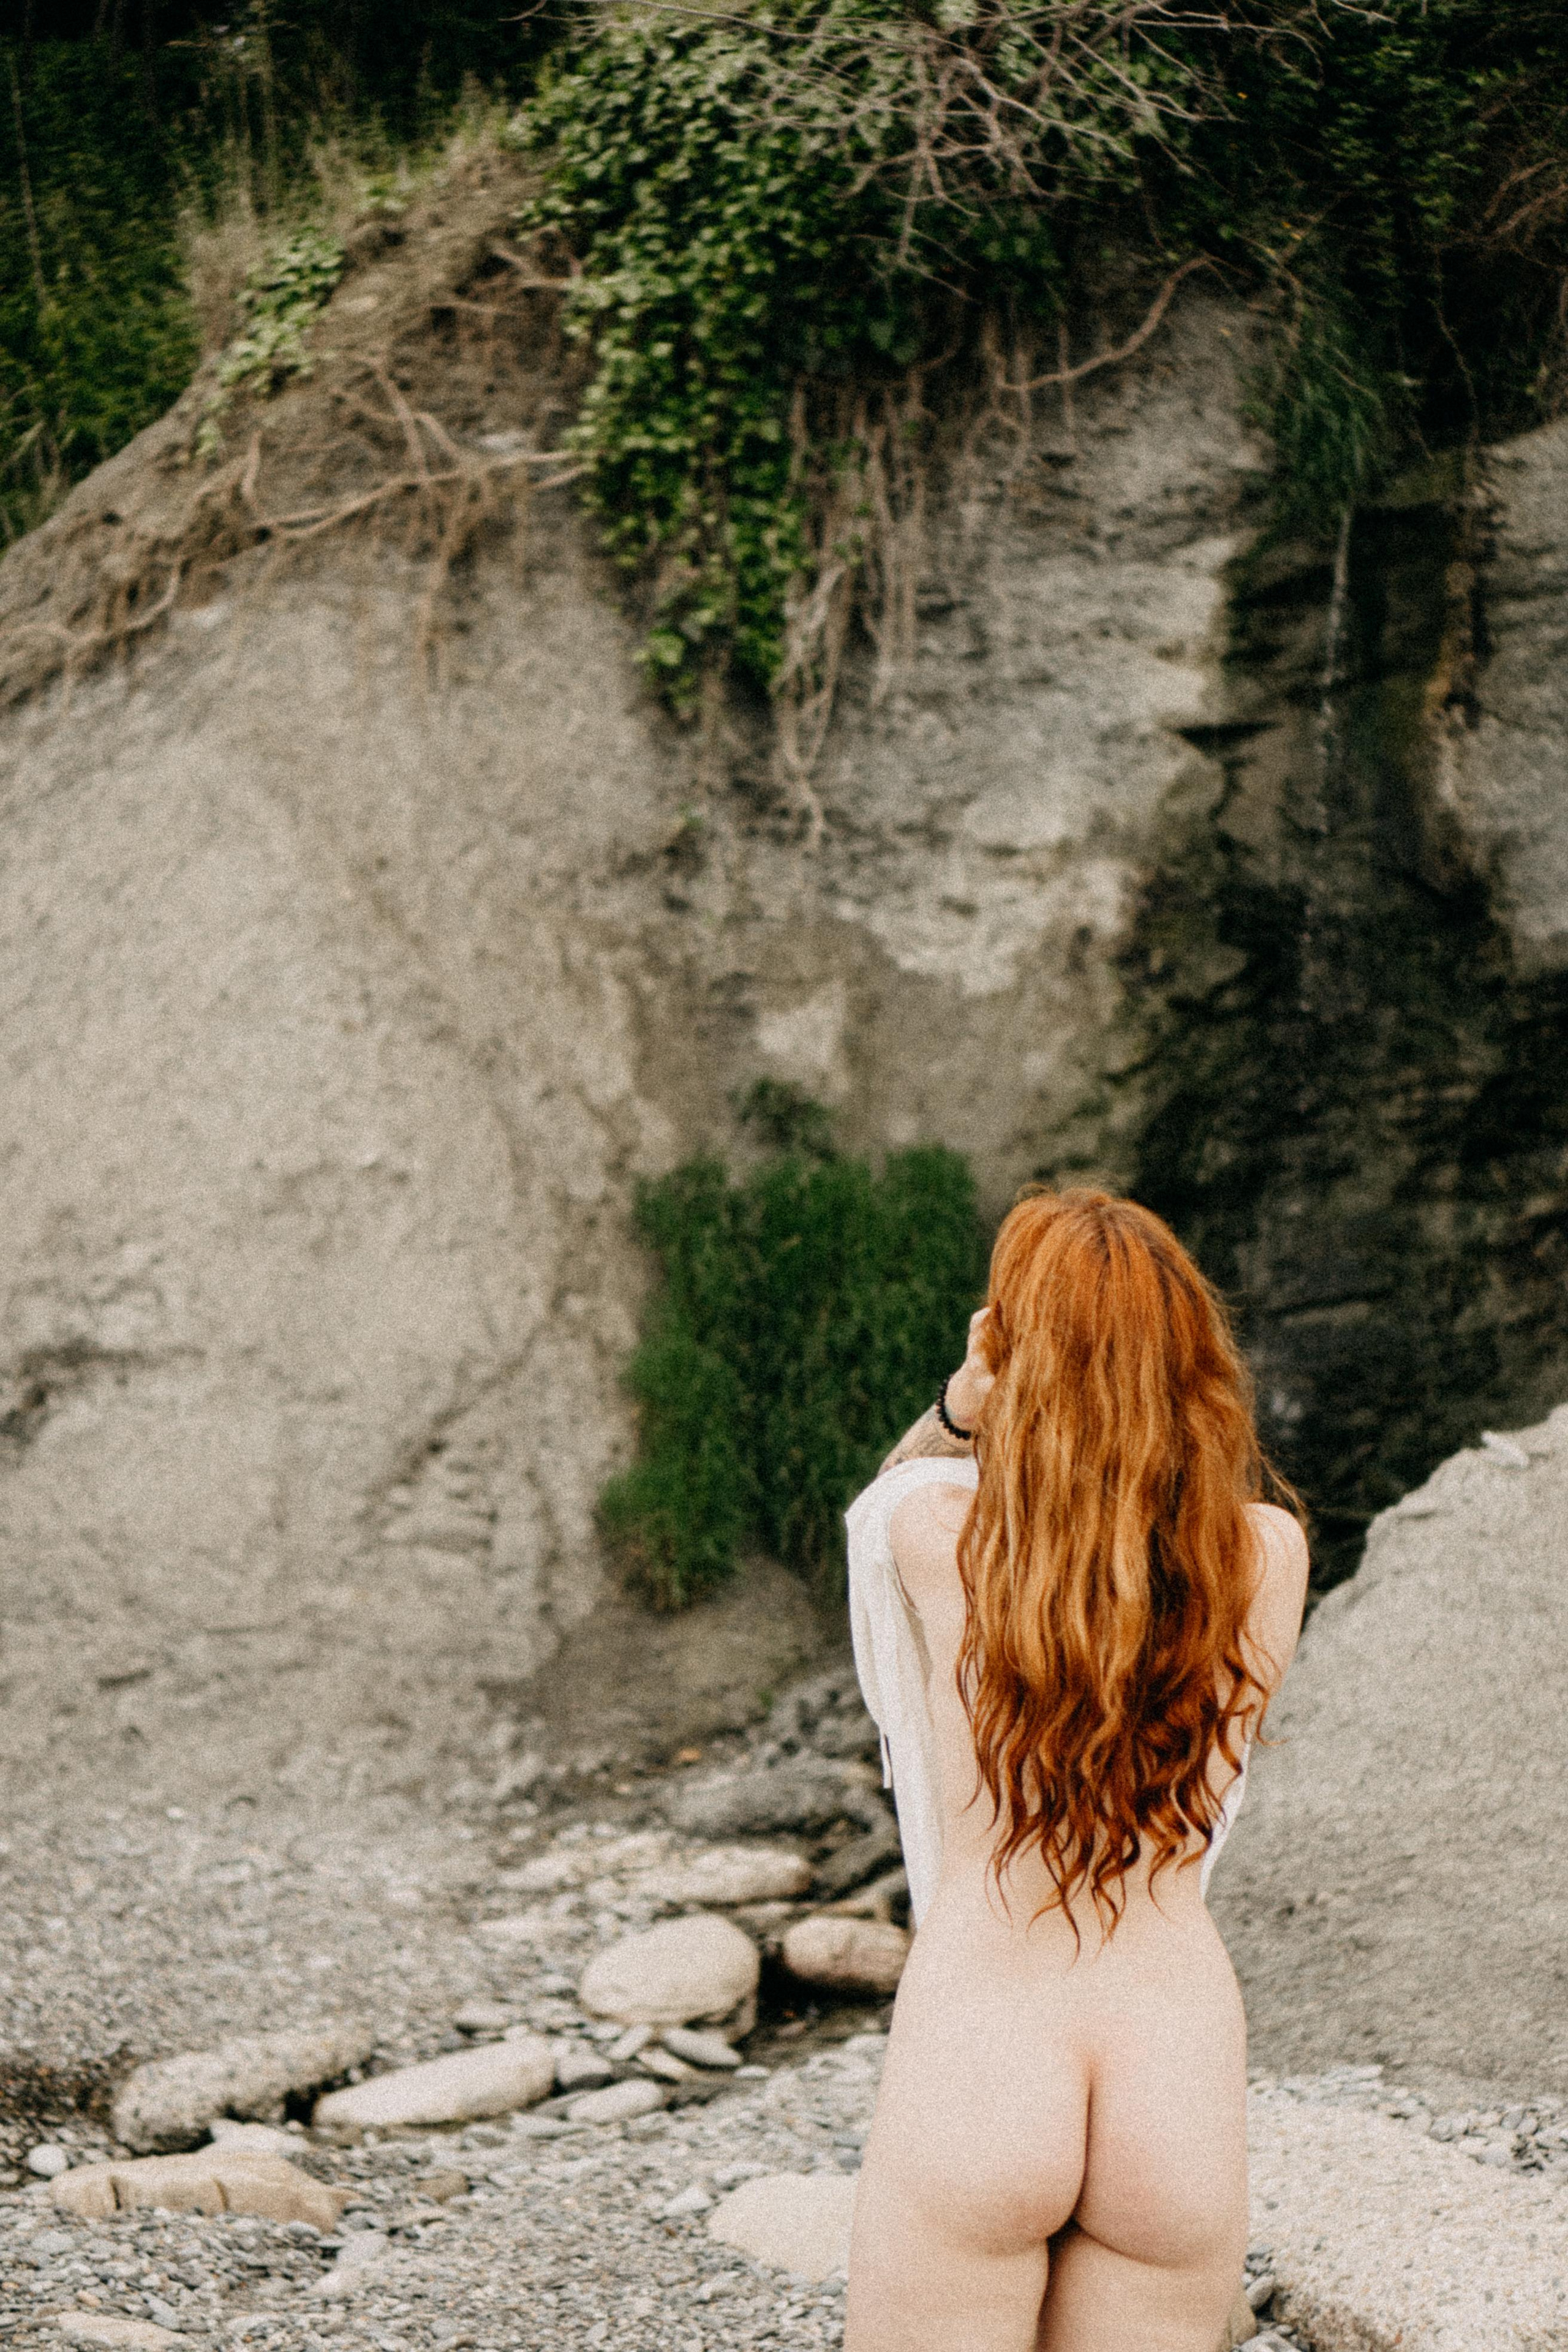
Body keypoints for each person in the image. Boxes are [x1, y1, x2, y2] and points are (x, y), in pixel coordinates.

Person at [842, 1189, 1309, 2352]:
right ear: (1195, 1359)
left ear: (1012, 1354)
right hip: (1174, 2055)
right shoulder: (1268, 1555)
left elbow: (886, 1501)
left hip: (988, 2039)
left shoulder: (938, 1534)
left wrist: (964, 1399)